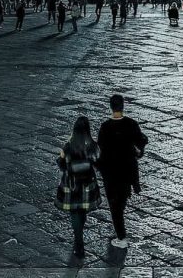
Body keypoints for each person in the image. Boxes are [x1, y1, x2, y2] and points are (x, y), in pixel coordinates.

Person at [97, 95, 148, 249]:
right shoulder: (132, 124)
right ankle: (120, 230)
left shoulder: (105, 127)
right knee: (121, 202)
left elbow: (101, 151)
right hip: (127, 171)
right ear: (123, 106)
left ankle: (121, 236)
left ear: (111, 107)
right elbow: (142, 141)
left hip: (111, 173)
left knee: (115, 206)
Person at [55, 116, 101, 258]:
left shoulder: (68, 146)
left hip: (71, 184)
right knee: (82, 212)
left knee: (74, 213)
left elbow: (62, 167)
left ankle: (78, 243)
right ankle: (79, 240)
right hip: (87, 185)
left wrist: (61, 157)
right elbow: (98, 163)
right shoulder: (93, 146)